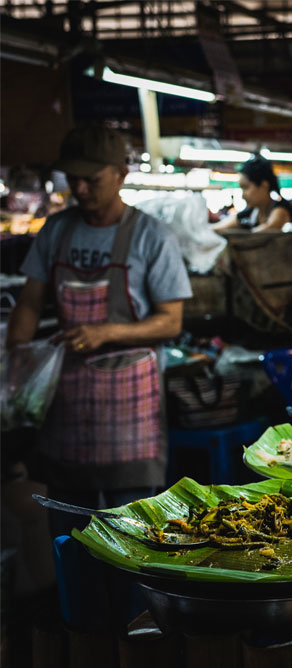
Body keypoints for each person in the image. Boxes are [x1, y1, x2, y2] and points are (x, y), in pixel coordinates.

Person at [4, 125, 192, 537]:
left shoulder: (150, 235)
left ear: (121, 174)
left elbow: (171, 321)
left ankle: (134, 606)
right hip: (66, 402)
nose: (82, 189)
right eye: (74, 179)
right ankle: (80, 602)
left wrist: (106, 333)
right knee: (73, 534)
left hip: (131, 412)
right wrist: (17, 359)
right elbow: (30, 302)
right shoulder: (56, 231)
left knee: (137, 536)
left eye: (93, 179)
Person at [212, 155, 292, 233]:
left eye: (246, 187)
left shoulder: (281, 209)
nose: (243, 195)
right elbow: (220, 227)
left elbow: (270, 228)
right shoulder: (251, 212)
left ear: (264, 185)